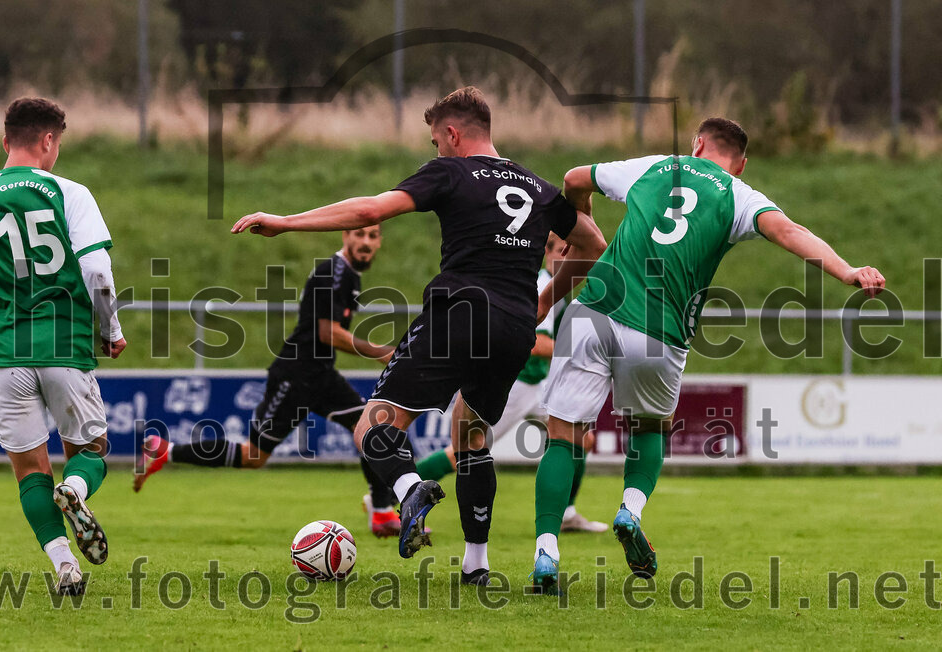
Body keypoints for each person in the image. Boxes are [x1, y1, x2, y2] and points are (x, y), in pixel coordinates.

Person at [232, 86, 605, 586]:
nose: (436, 149)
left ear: (452, 133)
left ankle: (409, 488)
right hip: (515, 327)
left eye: (435, 141)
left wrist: (285, 222)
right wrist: (544, 300)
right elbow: (593, 243)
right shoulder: (538, 187)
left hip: (459, 312)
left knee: (373, 427)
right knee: (471, 436)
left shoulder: (451, 171)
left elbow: (370, 210)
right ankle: (476, 566)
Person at [530, 117, 886, 594]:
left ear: (696, 144)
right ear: (740, 164)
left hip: (594, 307)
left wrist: (583, 216)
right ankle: (629, 510)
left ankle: (547, 552)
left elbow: (574, 178)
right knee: (650, 426)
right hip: (659, 331)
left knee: (563, 435)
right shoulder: (740, 196)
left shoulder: (655, 166)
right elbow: (788, 231)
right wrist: (846, 271)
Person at [0, 97, 126, 596]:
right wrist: (112, 329)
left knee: (29, 470)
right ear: (49, 140)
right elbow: (96, 271)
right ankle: (75, 491)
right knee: (92, 451)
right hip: (63, 345)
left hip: (2, 352)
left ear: (4, 139)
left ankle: (64, 567)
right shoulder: (71, 193)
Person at [134, 226, 402, 537]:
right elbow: (328, 333)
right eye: (360, 234)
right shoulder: (334, 272)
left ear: (380, 241)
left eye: (373, 236)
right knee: (253, 457)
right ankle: (165, 451)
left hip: (320, 375)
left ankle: (381, 512)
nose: (366, 242)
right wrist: (382, 352)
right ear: (345, 236)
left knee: (369, 427)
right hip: (296, 375)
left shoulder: (348, 275)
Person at [415, 233, 607, 533]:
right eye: (561, 251)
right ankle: (394, 493)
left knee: (582, 439)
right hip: (517, 383)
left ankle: (567, 513)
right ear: (547, 253)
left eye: (573, 251)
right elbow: (535, 344)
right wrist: (577, 347)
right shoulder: (545, 286)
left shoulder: (559, 288)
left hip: (538, 384)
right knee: (463, 452)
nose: (567, 257)